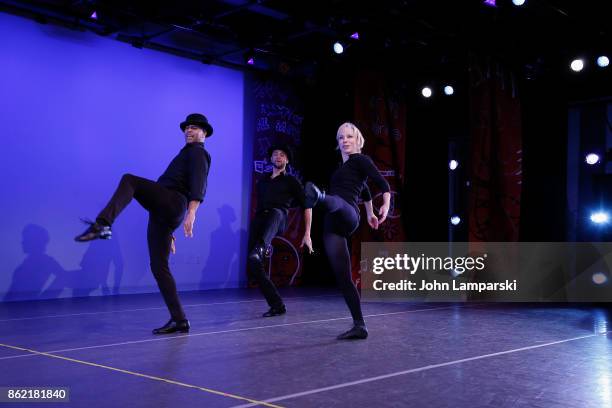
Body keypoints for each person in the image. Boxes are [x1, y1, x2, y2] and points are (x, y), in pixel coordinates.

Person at [74, 113, 213, 335]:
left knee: (130, 181)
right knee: (159, 266)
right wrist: (172, 228)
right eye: (187, 127)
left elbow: (199, 183)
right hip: (163, 211)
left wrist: (191, 213)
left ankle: (102, 224)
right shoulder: (186, 152)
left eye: (194, 128)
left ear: (204, 133)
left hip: (173, 202)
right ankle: (180, 320)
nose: (189, 130)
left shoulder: (199, 153)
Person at [305, 122, 391, 340]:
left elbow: (383, 185)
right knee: (344, 278)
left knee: (336, 202)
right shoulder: (342, 169)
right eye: (341, 138)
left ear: (358, 140)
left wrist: (385, 206)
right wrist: (371, 213)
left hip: (348, 214)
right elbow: (365, 192)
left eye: (349, 137)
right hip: (333, 225)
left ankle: (321, 197)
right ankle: (359, 325)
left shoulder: (361, 160)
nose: (345, 141)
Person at [248, 143, 313, 317]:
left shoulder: (291, 181)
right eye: (275, 154)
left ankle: (261, 248)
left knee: (275, 212)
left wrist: (307, 233)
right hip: (262, 219)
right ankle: (277, 304)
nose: (278, 157)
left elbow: (307, 205)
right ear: (271, 158)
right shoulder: (262, 181)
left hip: (279, 219)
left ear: (287, 160)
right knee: (253, 263)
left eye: (282, 155)